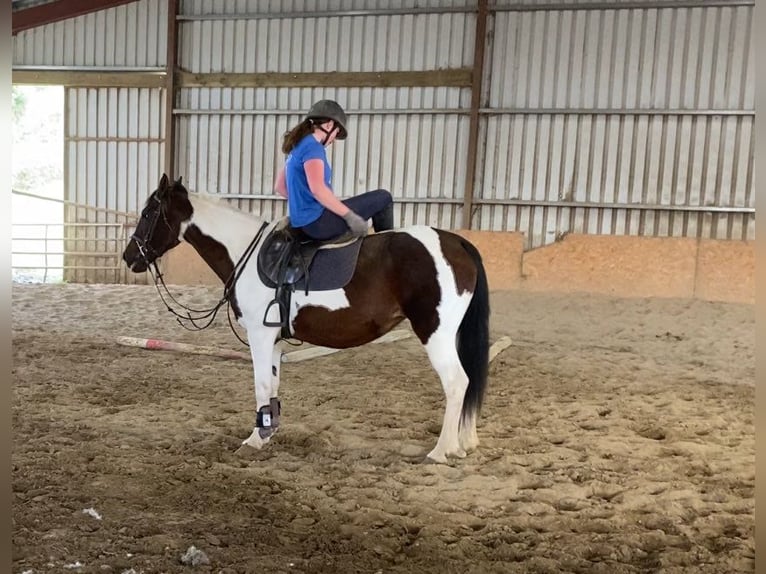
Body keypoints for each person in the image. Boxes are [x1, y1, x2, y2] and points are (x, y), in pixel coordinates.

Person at [274, 99, 394, 241]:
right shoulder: (313, 147)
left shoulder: (297, 146)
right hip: (318, 224)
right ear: (329, 125)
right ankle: (387, 247)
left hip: (300, 223)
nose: (334, 139)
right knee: (383, 197)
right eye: (336, 133)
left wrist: (304, 203)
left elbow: (280, 187)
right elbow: (318, 190)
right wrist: (350, 216)